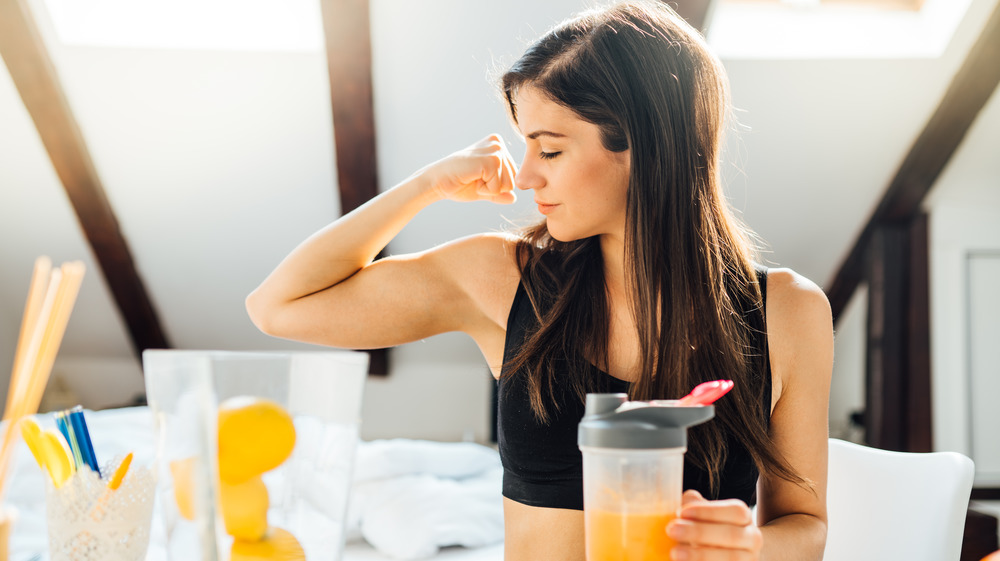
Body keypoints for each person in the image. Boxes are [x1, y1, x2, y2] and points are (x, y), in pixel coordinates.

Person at [246, 1, 832, 559]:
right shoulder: (502, 281)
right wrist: (428, 185)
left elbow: (804, 525)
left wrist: (751, 549)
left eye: (549, 151)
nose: (525, 176)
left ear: (645, 146)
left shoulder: (787, 312)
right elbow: (280, 306)